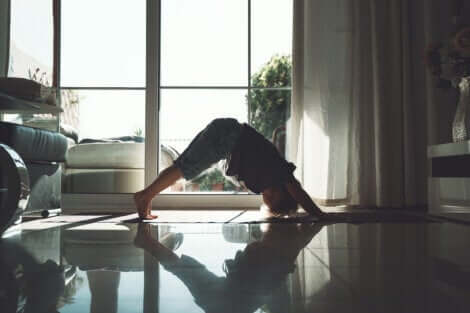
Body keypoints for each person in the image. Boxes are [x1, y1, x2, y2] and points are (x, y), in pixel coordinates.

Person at [134, 118, 326, 220]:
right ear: (281, 192)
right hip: (227, 136)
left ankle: (146, 195)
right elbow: (297, 190)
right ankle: (145, 196)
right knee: (185, 168)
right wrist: (319, 214)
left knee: (185, 167)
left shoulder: (267, 177)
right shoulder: (278, 170)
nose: (266, 200)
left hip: (226, 135)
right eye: (273, 201)